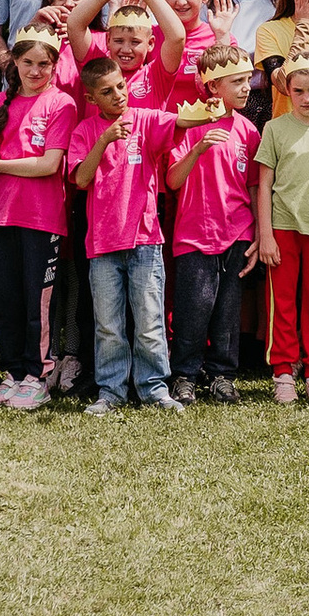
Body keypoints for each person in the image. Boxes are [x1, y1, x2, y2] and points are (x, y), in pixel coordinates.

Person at [0, 28, 77, 408]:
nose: (35, 71)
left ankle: (38, 373)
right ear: (14, 61)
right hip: (2, 216)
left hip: (41, 218)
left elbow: (49, 164)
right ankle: (13, 372)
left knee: (38, 302)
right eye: (27, 62)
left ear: (54, 65)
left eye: (43, 64)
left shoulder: (61, 103)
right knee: (5, 300)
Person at [69, 60, 181, 415]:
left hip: (145, 239)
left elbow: (181, 122)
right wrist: (104, 139)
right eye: (107, 91)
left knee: (149, 320)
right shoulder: (85, 132)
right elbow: (81, 179)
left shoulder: (145, 119)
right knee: (108, 325)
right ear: (91, 98)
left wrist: (212, 111)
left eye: (120, 86)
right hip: (102, 244)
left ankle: (154, 389)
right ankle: (111, 392)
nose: (119, 94)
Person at [165, 44, 261, 404]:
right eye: (236, 81)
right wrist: (198, 148)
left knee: (227, 311)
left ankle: (223, 375)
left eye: (247, 79)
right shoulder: (188, 123)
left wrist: (256, 234)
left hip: (236, 234)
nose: (246, 87)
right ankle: (185, 375)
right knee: (193, 309)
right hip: (194, 235)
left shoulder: (248, 130)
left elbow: (252, 186)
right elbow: (173, 180)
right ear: (212, 87)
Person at [255, 51, 309, 405]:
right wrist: (265, 234)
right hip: (283, 227)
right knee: (282, 302)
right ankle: (283, 370)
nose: (307, 98)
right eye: (299, 91)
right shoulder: (275, 128)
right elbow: (264, 184)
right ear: (287, 91)